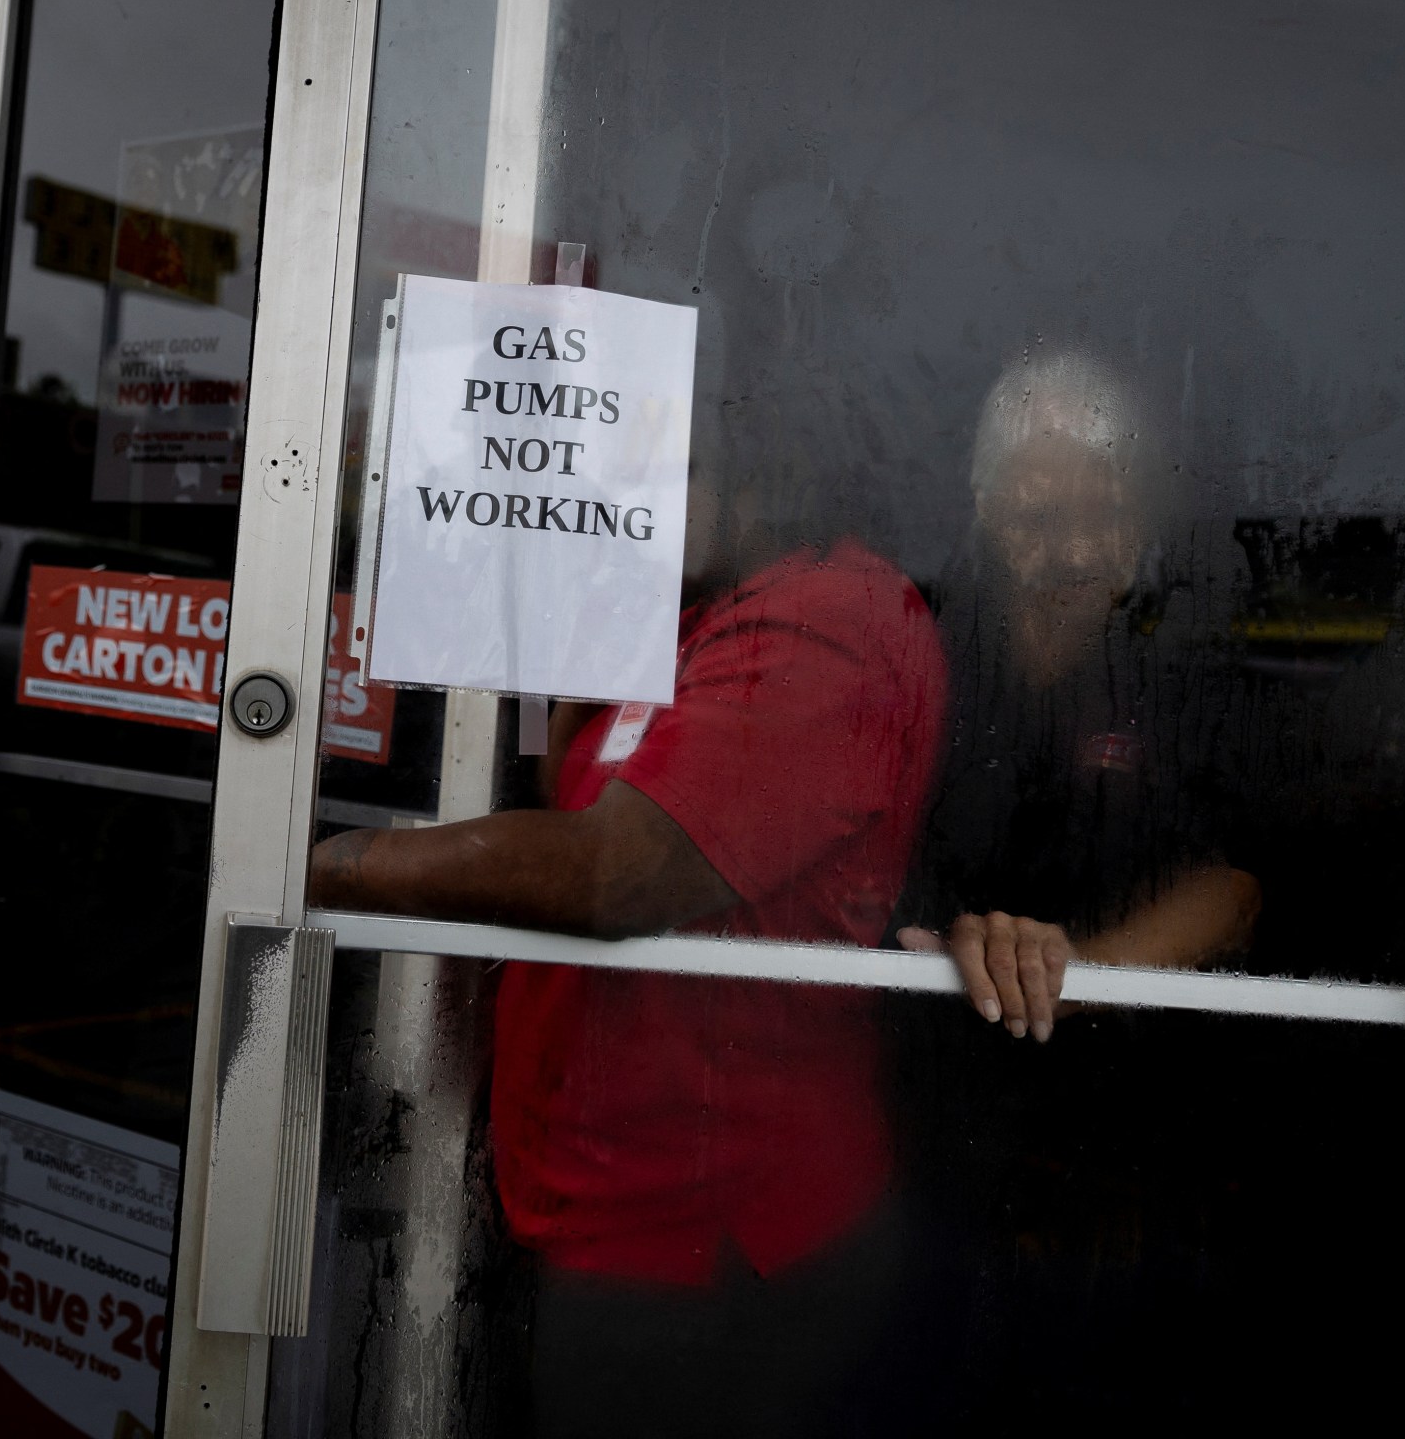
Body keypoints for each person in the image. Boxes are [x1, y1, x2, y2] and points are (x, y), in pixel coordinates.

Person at [309, 434, 947, 1436]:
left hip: (711, 1234)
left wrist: (331, 868)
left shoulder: (836, 618)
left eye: (666, 474)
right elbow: (559, 791)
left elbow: (618, 871)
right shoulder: (692, 612)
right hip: (588, 1200)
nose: (633, 503)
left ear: (771, 463)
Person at [886, 351, 1260, 1428]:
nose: (1073, 547)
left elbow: (1227, 888)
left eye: (1103, 512)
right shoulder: (923, 656)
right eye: (1037, 510)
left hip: (1125, 1178)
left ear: (1141, 521)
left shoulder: (1180, 677)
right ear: (984, 507)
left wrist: (1066, 972)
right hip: (929, 1164)